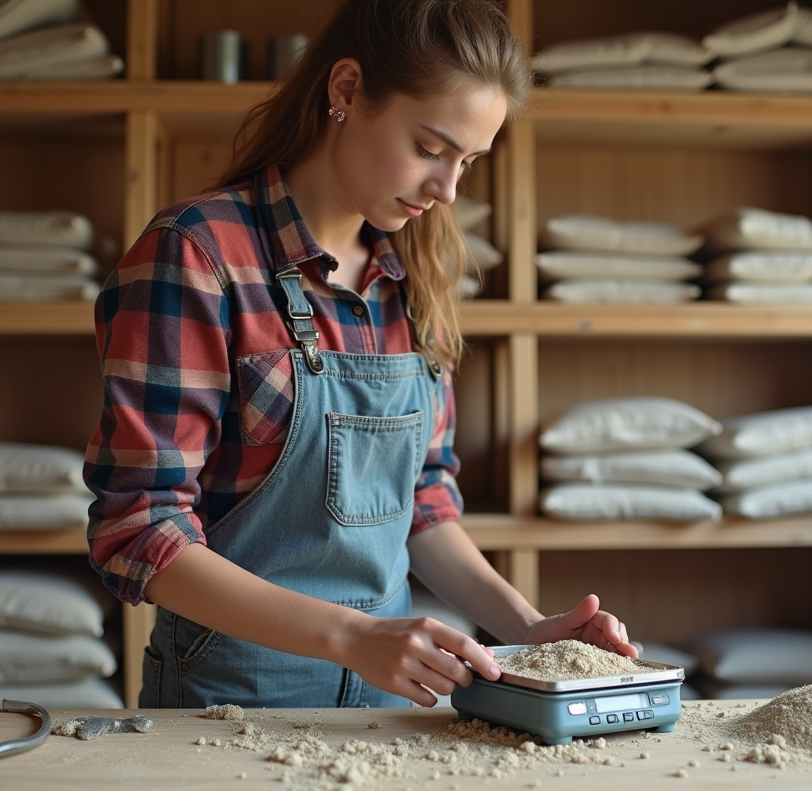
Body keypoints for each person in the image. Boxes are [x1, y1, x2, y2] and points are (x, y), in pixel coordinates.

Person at [84, 0, 638, 710]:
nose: (448, 190)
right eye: (431, 147)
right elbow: (140, 530)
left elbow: (422, 505)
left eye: (466, 161)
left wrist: (530, 629)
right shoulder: (197, 254)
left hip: (395, 699)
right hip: (228, 700)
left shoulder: (415, 274)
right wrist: (350, 637)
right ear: (346, 90)